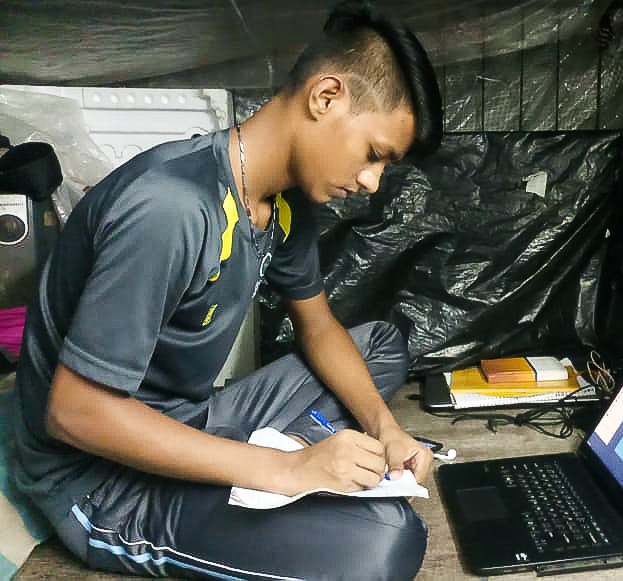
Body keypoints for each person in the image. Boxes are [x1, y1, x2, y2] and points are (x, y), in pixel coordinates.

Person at [10, 1, 443, 579]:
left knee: (382, 344)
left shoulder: (283, 206)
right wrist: (287, 469)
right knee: (386, 545)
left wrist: (387, 431)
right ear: (326, 96)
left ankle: (291, 460)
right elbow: (74, 412)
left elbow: (317, 327)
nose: (370, 182)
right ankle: (286, 464)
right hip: (100, 480)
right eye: (374, 155)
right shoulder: (170, 207)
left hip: (194, 417)